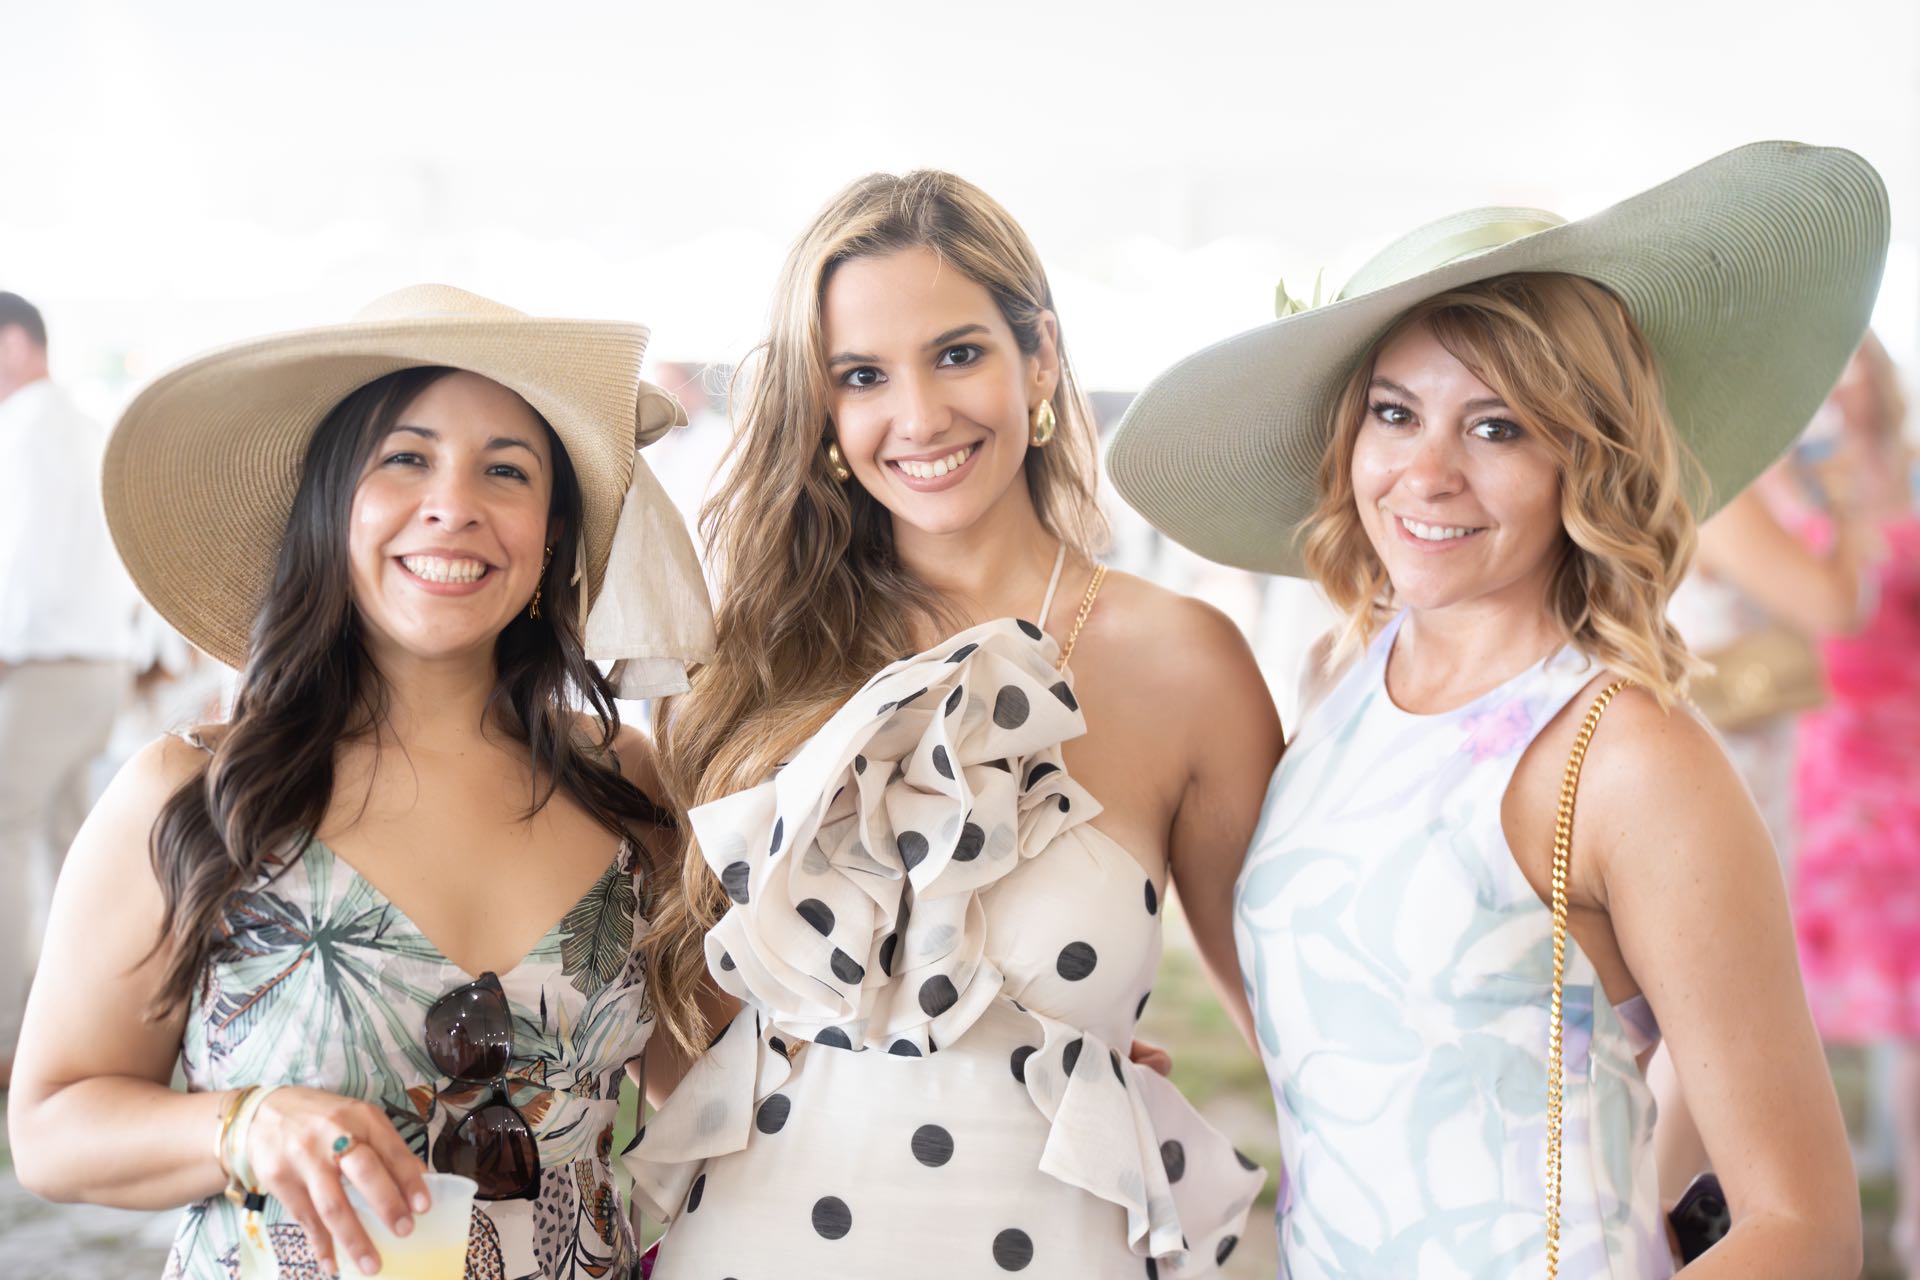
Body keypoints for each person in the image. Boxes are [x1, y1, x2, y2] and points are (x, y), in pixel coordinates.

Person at [1109, 141, 1885, 1275]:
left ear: (1588, 459)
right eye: (1395, 413)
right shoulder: (1338, 681)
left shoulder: (1628, 758)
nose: (1427, 474)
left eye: (1497, 426)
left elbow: (1805, 1226)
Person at [628, 171, 1283, 1277]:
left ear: (1042, 358)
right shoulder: (739, 664)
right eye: (863, 375)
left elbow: (1303, 1032)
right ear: (822, 409)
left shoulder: (1188, 664)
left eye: (958, 353)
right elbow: (678, 1034)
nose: (921, 415)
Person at [5, 285, 716, 1280]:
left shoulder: (626, 785)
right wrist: (246, 1126)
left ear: (552, 531)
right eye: (406, 458)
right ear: (330, 502)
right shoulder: (195, 791)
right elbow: (50, 1125)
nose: (455, 505)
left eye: (505, 470)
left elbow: (720, 1094)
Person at [1785, 334, 1920, 1271]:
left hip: (1908, 740)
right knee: (1823, 974)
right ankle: (1816, 1192)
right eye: (1834, 369)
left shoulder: (1908, 470)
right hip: (1829, 744)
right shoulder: (1791, 473)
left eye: (1860, 367)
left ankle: (1907, 1203)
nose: (1847, 386)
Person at [0, 291, 139, 1087]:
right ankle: (80, 1028)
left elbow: (20, 562)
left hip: (41, 664)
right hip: (96, 663)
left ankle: (9, 1033)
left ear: (14, 344)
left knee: (9, 835)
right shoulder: (82, 425)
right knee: (68, 843)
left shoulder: (28, 428)